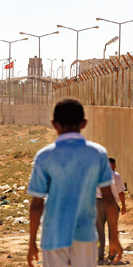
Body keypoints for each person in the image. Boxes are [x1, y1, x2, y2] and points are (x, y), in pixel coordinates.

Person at [27, 98, 122, 267]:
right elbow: (108, 199)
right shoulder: (97, 154)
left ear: (54, 124)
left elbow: (36, 204)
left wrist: (32, 242)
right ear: (84, 123)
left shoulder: (44, 156)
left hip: (53, 236)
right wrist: (114, 237)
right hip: (84, 236)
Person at [96, 158, 126, 261]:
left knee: (99, 231)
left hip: (98, 204)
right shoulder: (116, 175)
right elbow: (121, 192)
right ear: (111, 164)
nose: (115, 166)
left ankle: (100, 255)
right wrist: (123, 205)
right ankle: (112, 255)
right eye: (115, 164)